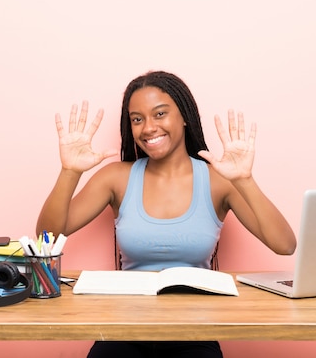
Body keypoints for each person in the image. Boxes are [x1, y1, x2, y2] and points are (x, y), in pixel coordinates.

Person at [36, 71, 296, 358]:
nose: (148, 128)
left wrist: (244, 180)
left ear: (183, 116)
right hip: (123, 331)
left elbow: (284, 245)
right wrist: (70, 172)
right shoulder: (116, 178)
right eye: (137, 119)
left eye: (159, 114)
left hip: (194, 333)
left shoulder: (218, 180)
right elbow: (46, 237)